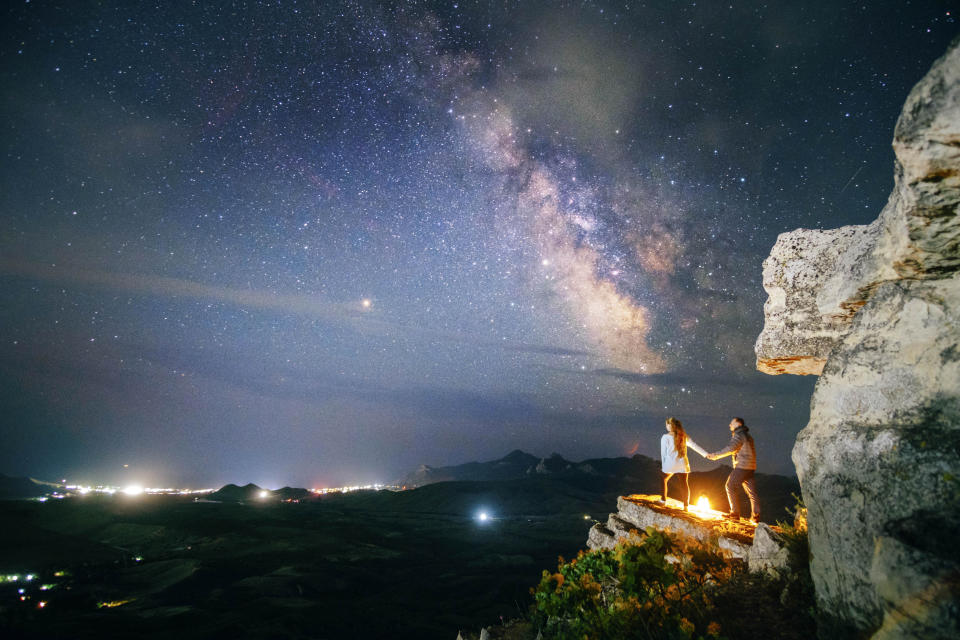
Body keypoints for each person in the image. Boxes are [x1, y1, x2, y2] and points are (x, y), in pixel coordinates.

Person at [706, 417, 760, 522]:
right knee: (752, 492)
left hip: (742, 466)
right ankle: (755, 516)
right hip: (750, 467)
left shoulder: (739, 435)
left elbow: (731, 448)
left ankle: (734, 514)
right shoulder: (748, 436)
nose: (729, 425)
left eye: (731, 423)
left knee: (730, 486)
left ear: (738, 424)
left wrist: (715, 455)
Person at [658, 417, 707, 510]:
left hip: (670, 464)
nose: (666, 426)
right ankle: (686, 506)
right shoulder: (683, 436)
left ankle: (663, 500)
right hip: (683, 464)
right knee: (684, 483)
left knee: (663, 478)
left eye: (667, 424)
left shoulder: (665, 437)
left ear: (670, 426)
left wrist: (664, 466)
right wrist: (706, 454)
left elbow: (663, 454)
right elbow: (694, 446)